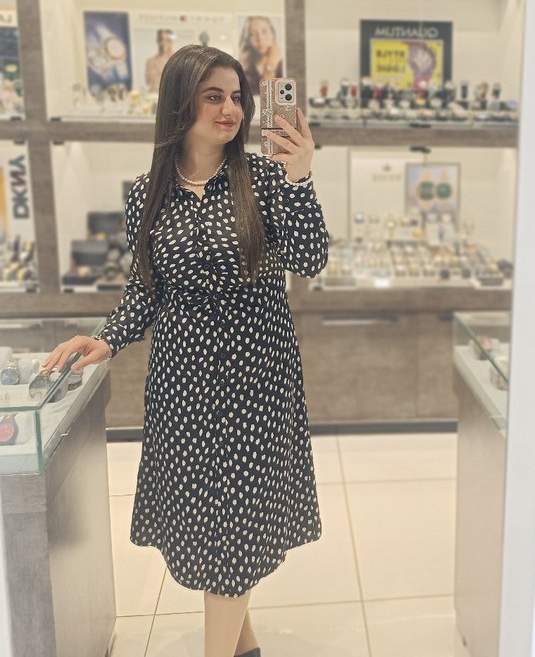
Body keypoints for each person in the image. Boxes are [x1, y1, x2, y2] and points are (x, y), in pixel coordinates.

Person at [43, 45, 329, 657]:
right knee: (209, 527)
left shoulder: (264, 180)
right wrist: (107, 337)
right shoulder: (147, 193)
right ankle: (244, 647)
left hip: (257, 382)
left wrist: (301, 176)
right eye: (213, 96)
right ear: (180, 103)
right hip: (184, 386)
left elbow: (310, 259)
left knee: (237, 530)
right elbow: (147, 290)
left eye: (237, 97)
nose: (231, 109)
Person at [238, 16, 283, 95]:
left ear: (272, 34)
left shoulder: (282, 66)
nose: (260, 39)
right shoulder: (245, 69)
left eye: (264, 31)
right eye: (252, 34)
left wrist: (270, 67)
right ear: (248, 39)